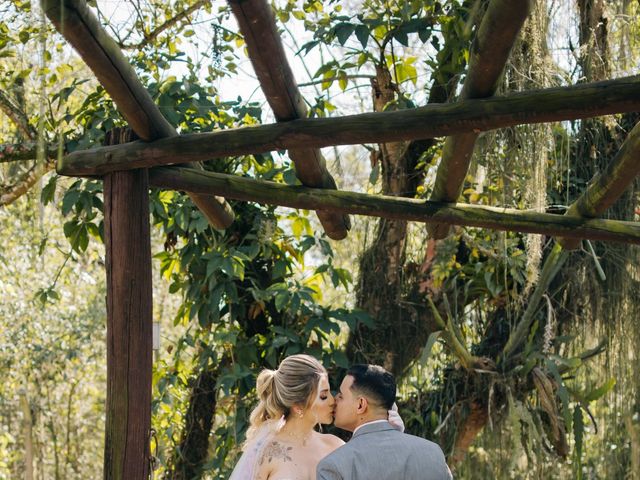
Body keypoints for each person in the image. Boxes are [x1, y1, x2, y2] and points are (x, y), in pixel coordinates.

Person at [316, 364, 453, 480]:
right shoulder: (432, 452)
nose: (334, 400)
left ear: (360, 405)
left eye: (341, 395)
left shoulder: (334, 466)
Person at [230, 354, 344, 479]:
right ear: (297, 407)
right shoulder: (267, 452)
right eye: (323, 396)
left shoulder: (335, 446)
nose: (332, 401)